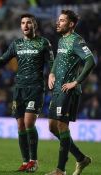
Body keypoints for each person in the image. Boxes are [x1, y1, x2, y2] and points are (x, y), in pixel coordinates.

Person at [0, 13, 54, 172]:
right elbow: (4, 58)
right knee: (21, 125)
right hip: (19, 88)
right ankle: (25, 162)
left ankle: (34, 160)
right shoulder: (16, 44)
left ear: (34, 25)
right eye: (23, 23)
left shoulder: (43, 43)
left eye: (28, 22)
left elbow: (52, 62)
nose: (25, 25)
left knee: (29, 122)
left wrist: (52, 74)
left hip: (35, 87)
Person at [46, 10, 95, 175]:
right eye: (58, 20)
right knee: (52, 127)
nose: (58, 23)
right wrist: (51, 73)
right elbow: (58, 60)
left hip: (69, 90)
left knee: (61, 125)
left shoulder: (76, 40)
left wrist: (76, 82)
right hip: (58, 89)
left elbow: (91, 60)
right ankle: (81, 158)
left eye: (62, 20)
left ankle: (60, 170)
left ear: (71, 24)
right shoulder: (62, 40)